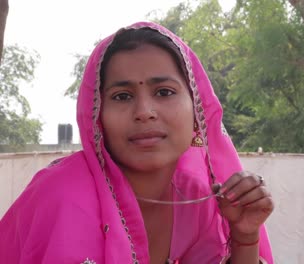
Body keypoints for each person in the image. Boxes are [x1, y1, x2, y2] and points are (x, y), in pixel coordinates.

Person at [0, 22, 274, 263]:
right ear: (97, 117)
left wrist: (245, 235)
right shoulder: (61, 196)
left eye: (164, 92)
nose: (144, 111)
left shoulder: (193, 199)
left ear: (197, 114)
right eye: (122, 96)